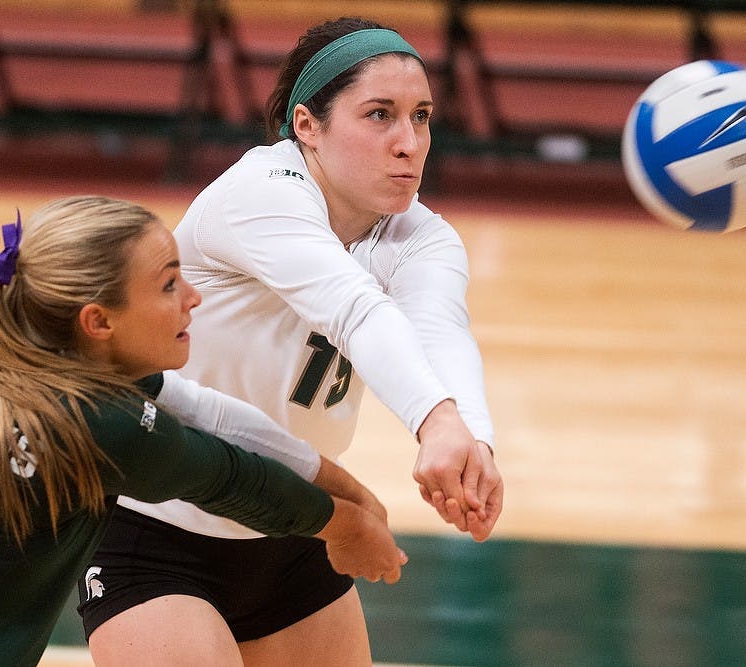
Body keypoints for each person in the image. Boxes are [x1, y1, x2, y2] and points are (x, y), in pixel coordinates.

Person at [81, 16, 504, 667]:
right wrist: (433, 418)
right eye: (379, 115)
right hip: (158, 524)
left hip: (295, 520)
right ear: (306, 125)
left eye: (421, 117)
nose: (409, 142)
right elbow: (354, 310)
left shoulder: (422, 236)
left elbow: (439, 330)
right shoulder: (260, 193)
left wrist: (469, 439)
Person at [0, 196, 406, 667]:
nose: (193, 297)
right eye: (166, 285)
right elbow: (239, 481)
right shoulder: (94, 424)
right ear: (98, 322)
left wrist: (358, 500)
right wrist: (345, 525)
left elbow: (212, 412)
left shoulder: (3, 349)